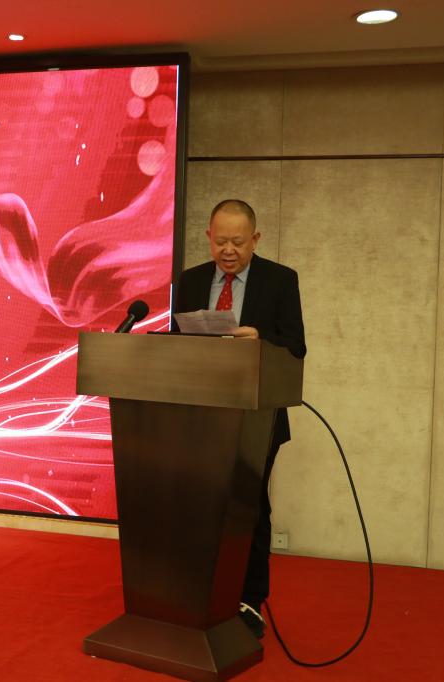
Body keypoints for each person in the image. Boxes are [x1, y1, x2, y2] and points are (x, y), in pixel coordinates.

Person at [175, 199, 306, 639]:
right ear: (208, 237)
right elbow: (175, 344)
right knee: (201, 506)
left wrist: (259, 339)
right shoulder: (191, 280)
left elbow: (296, 346)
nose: (227, 250)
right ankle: (199, 592)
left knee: (249, 507)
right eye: (220, 241)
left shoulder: (280, 280)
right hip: (201, 417)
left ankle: (250, 599)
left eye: (237, 241)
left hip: (257, 417)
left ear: (255, 239)